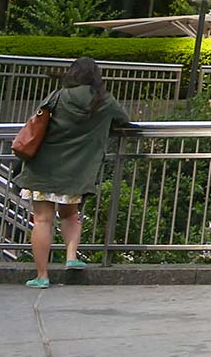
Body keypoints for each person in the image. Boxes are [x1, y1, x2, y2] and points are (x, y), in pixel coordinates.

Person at [15, 57, 131, 287]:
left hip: (43, 168)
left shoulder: (59, 96)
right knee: (70, 215)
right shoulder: (104, 100)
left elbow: (38, 119)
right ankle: (71, 256)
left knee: (42, 220)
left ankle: (42, 276)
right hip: (77, 171)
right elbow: (124, 119)